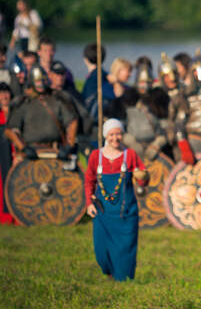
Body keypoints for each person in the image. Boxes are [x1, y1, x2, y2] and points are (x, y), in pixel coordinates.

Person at [84, 119, 148, 281]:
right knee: (101, 251)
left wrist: (142, 176)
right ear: (106, 135)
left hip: (126, 213)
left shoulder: (130, 154)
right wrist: (89, 203)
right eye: (112, 134)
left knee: (125, 250)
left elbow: (143, 178)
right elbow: (89, 180)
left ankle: (123, 281)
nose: (115, 137)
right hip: (103, 212)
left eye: (118, 133)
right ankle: (109, 272)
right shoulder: (96, 156)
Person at [5, 65, 78, 164]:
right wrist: (23, 148)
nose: (41, 84)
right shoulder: (23, 102)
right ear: (32, 81)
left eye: (43, 80)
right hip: (30, 153)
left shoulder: (57, 98)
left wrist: (69, 146)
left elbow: (72, 122)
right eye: (37, 81)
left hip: (55, 151)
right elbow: (10, 131)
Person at [82, 42, 114, 121]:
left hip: (93, 118)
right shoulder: (103, 74)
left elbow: (87, 99)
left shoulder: (95, 77)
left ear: (86, 59)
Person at [0, 83, 15, 224]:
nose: (4, 96)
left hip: (15, 153)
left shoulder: (16, 113)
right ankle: (5, 216)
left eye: (6, 93)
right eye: (1, 93)